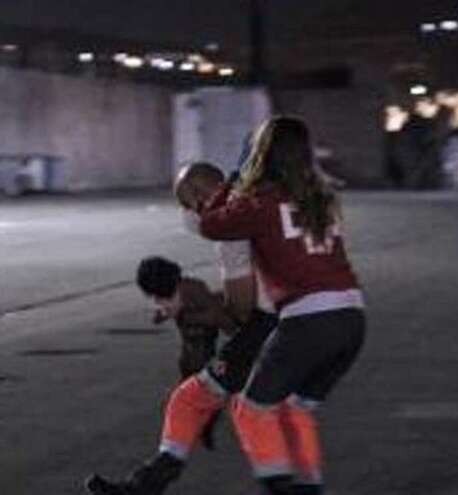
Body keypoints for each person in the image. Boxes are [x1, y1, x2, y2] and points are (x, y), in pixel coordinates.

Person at [196, 116, 367, 495]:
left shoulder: (260, 203)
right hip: (352, 317)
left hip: (309, 319)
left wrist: (230, 182)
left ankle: (281, 489)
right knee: (294, 408)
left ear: (263, 154)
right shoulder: (322, 199)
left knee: (252, 409)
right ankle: (310, 484)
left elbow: (210, 225)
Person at [85, 163, 278, 495]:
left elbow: (239, 314)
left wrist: (201, 310)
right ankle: (147, 483)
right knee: (210, 402)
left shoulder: (230, 227)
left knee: (216, 405)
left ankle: (144, 486)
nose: (188, 215)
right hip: (310, 313)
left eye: (186, 204)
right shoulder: (256, 203)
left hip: (273, 321)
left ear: (201, 196)